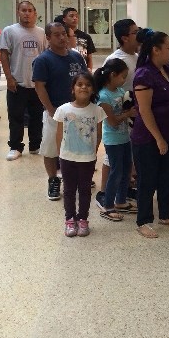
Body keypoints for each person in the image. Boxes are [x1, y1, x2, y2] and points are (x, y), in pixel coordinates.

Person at [133, 29, 169, 238]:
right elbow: (144, 111)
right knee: (147, 180)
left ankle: (166, 213)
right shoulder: (144, 74)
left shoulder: (166, 70)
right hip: (148, 138)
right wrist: (158, 139)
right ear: (155, 50)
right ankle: (143, 220)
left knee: (168, 177)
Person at [33, 22, 87, 201]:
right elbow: (39, 87)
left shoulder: (76, 57)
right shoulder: (43, 60)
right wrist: (50, 110)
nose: (62, 37)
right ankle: (53, 180)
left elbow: (85, 80)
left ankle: (76, 178)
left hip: (78, 111)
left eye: (63, 33)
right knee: (51, 149)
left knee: (76, 148)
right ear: (48, 38)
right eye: (56, 35)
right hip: (55, 112)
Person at [95, 19, 141, 208]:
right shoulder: (116, 59)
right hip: (118, 117)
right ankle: (105, 194)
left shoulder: (137, 56)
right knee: (111, 161)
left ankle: (122, 194)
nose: (139, 34)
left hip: (128, 114)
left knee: (126, 159)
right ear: (124, 37)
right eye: (135, 32)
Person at [54, 71, 106, 237]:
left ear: (93, 90)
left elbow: (98, 133)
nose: (84, 87)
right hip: (67, 158)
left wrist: (94, 151)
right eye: (80, 84)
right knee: (69, 190)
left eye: (88, 85)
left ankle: (83, 219)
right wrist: (60, 155)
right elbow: (59, 134)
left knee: (84, 190)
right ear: (73, 89)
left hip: (87, 158)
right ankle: (70, 219)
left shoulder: (97, 110)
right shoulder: (63, 110)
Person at [0, 1, 47, 161]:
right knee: (16, 117)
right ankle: (15, 147)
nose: (27, 13)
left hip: (37, 84)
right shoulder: (9, 31)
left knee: (37, 117)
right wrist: (9, 77)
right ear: (18, 12)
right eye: (23, 10)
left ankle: (35, 145)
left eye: (30, 10)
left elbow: (45, 56)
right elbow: (3, 54)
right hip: (17, 83)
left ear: (35, 13)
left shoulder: (41, 32)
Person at [94, 58, 134, 221]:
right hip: (112, 140)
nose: (125, 80)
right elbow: (111, 121)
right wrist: (128, 114)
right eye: (123, 76)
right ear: (112, 75)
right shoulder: (103, 96)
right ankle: (108, 205)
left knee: (126, 169)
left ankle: (121, 200)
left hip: (125, 137)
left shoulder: (119, 92)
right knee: (116, 171)